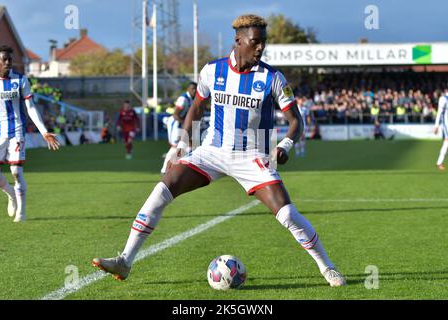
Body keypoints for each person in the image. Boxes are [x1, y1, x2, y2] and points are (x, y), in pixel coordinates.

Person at [92, 15, 346, 287]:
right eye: (255, 42)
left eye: (264, 43)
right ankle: (125, 261)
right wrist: (181, 145)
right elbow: (197, 108)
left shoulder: (273, 77)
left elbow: (296, 120)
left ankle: (328, 267)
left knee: (287, 214)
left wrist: (285, 144)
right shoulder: (212, 71)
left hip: (252, 156)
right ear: (238, 41)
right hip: (212, 151)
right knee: (162, 190)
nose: (261, 48)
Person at [0, 45, 60, 222]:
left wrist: (44, 132)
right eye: (5, 59)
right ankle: (11, 195)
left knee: (16, 171)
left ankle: (22, 214)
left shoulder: (20, 79)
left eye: (10, 59)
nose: (8, 62)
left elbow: (30, 107)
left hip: (17, 131)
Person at [161, 82, 197, 174]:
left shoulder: (193, 99)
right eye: (192, 89)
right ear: (188, 89)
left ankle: (185, 167)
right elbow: (175, 114)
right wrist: (185, 123)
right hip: (176, 124)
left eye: (195, 89)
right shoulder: (183, 99)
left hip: (183, 124)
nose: (194, 91)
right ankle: (164, 170)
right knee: (175, 146)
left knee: (191, 144)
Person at [434, 85, 448, 171]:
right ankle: (439, 163)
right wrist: (436, 126)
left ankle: (439, 162)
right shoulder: (443, 99)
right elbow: (439, 113)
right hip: (447, 125)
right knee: (447, 143)